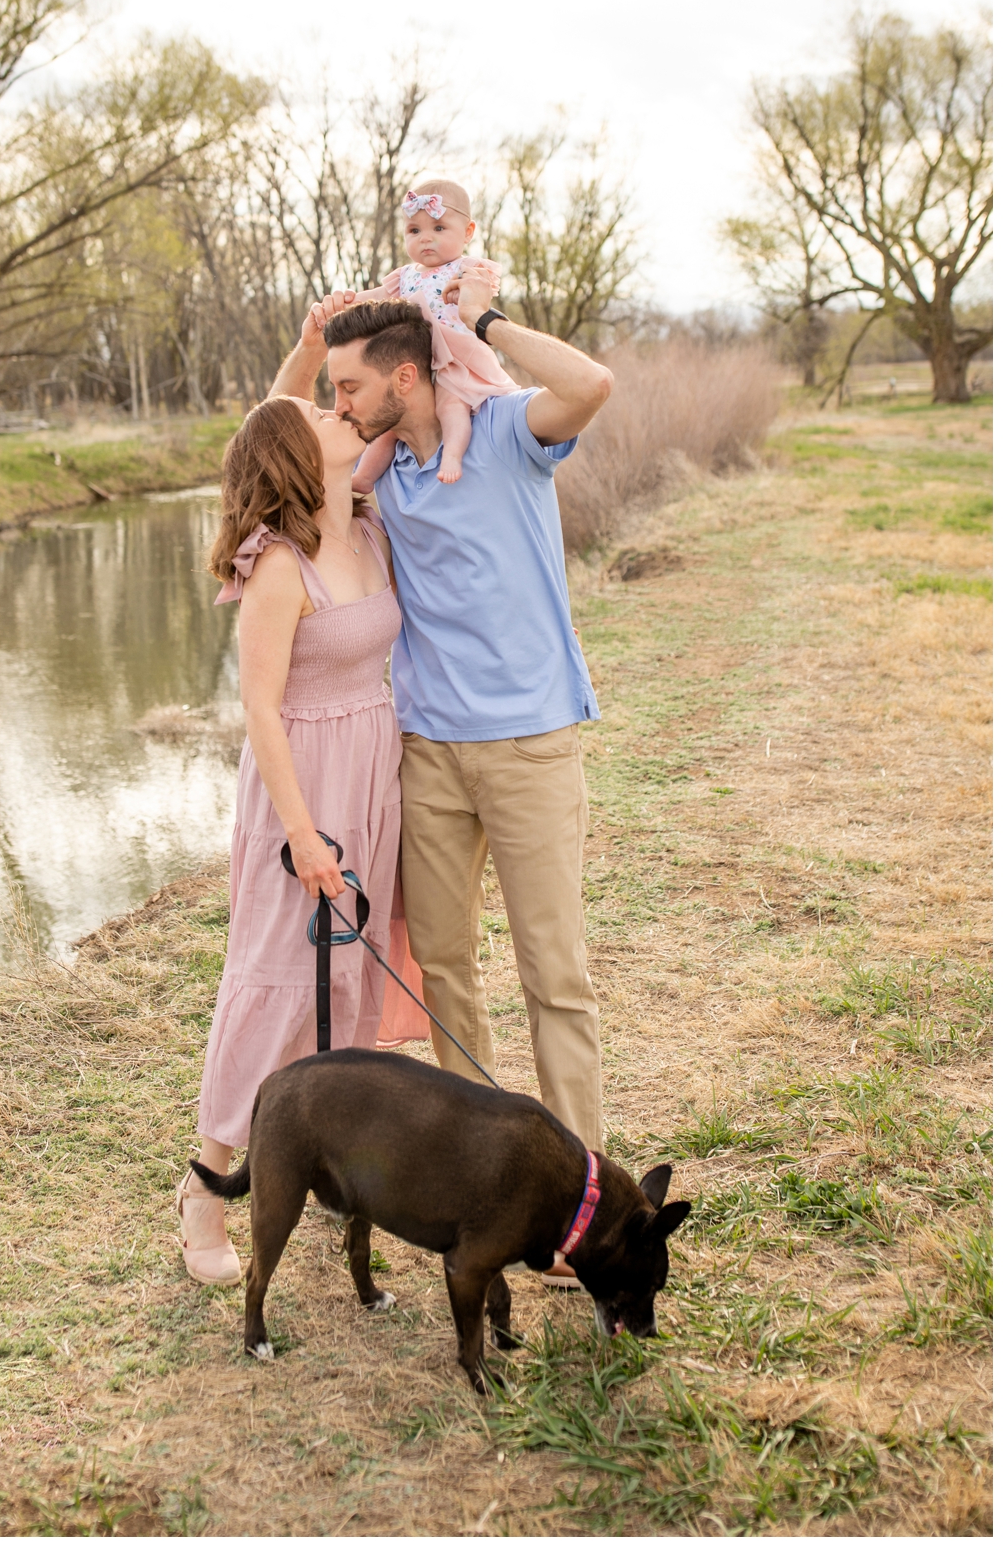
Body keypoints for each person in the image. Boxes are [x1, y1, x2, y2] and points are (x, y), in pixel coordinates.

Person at [278, 271, 614, 1288]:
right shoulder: (378, 476)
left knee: (554, 975)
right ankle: (484, 1182)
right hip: (425, 753)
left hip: (530, 746)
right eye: (334, 389)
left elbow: (592, 382)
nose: (338, 404)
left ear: (409, 375)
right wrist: (310, 345)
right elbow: (277, 435)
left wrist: (481, 318)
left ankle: (582, 1202)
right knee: (449, 980)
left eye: (350, 386)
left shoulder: (508, 432)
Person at [178, 377, 404, 1283]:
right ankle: (204, 1189)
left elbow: (395, 411)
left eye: (338, 405)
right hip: (301, 786)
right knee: (274, 984)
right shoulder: (280, 563)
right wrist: (305, 836)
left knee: (343, 982)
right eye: (321, 414)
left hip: (372, 775)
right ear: (295, 458)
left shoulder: (367, 523)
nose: (337, 413)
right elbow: (260, 712)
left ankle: (321, 1161)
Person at [347, 179, 518, 488]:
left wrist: (466, 292)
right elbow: (374, 297)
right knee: (392, 421)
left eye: (439, 229)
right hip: (416, 357)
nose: (426, 239)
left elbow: (480, 296)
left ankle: (452, 454)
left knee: (451, 406)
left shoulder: (466, 268)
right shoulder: (405, 276)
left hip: (454, 357)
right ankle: (364, 478)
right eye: (415, 231)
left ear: (467, 232)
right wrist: (347, 301)